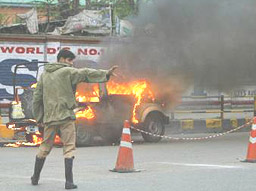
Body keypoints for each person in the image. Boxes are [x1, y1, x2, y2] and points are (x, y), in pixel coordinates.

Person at [31, 49, 117, 189]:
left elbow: (36, 98)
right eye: (70, 61)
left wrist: (39, 117)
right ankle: (69, 182)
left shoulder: (44, 75)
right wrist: (105, 74)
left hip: (50, 118)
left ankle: (35, 177)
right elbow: (85, 73)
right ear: (63, 59)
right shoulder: (67, 72)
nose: (71, 64)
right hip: (66, 117)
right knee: (69, 148)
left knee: (45, 147)